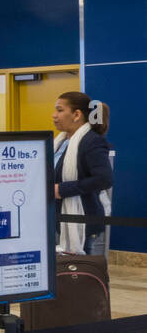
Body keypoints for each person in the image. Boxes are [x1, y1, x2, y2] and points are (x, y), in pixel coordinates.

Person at [52, 92, 113, 255]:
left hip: (83, 219)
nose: (54, 115)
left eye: (59, 110)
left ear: (77, 114)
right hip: (59, 217)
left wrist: (62, 190)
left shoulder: (92, 141)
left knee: (80, 274)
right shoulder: (61, 142)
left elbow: (104, 179)